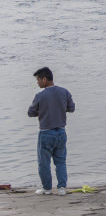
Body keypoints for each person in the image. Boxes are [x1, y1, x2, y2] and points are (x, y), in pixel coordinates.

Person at [27, 67, 75, 196]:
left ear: (44, 79)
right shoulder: (64, 92)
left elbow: (30, 113)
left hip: (46, 132)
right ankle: (62, 188)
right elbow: (71, 108)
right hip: (61, 131)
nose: (37, 83)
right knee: (60, 161)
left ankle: (47, 188)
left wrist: (42, 111)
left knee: (44, 163)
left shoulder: (40, 96)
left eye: (38, 80)